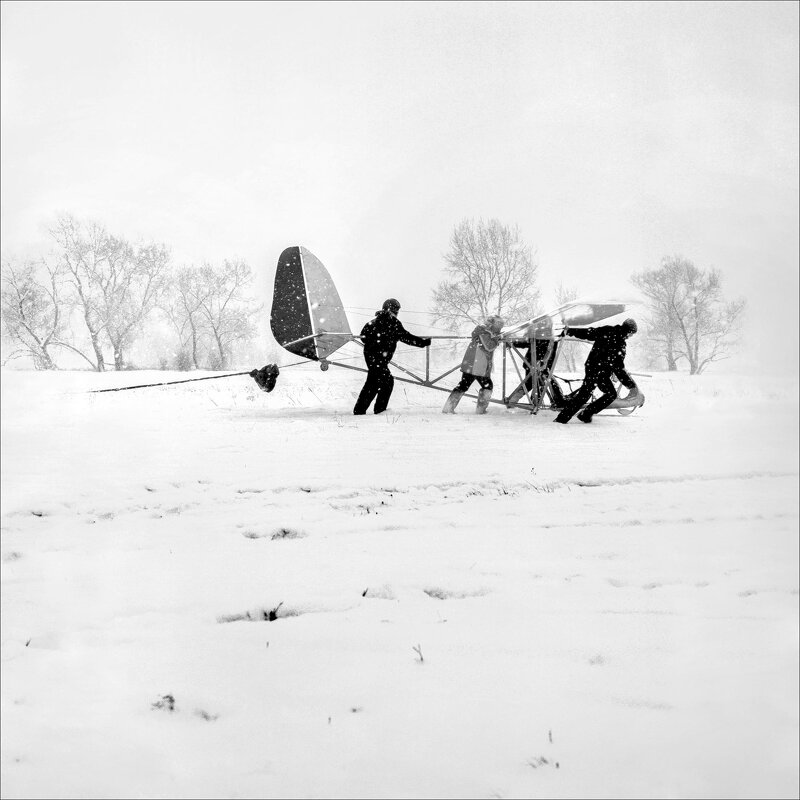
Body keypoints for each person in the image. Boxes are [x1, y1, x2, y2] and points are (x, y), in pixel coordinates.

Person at [353, 299, 431, 415]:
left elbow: (363, 337)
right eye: (397, 310)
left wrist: (374, 344)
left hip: (371, 357)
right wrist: (423, 342)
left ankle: (361, 410)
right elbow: (407, 338)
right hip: (380, 359)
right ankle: (378, 410)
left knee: (374, 382)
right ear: (394, 310)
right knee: (385, 382)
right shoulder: (393, 323)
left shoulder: (372, 322)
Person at [553, 318, 638, 424]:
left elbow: (589, 333)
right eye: (631, 334)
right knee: (606, 395)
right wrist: (630, 385)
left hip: (592, 368)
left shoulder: (607, 330)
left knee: (588, 395)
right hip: (600, 372)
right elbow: (618, 368)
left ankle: (577, 415)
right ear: (629, 331)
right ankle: (580, 415)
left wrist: (570, 331)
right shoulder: (620, 344)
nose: (630, 337)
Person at [442, 315, 504, 414]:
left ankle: (448, 408)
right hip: (477, 365)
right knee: (487, 386)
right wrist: (498, 339)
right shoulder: (484, 332)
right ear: (492, 324)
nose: (500, 327)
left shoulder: (483, 331)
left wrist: (496, 338)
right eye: (499, 324)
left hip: (472, 364)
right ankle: (481, 410)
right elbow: (489, 346)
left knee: (463, 385)